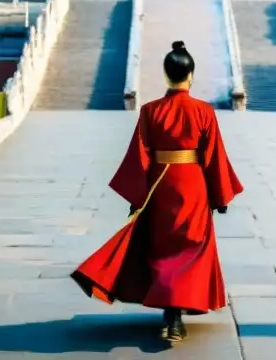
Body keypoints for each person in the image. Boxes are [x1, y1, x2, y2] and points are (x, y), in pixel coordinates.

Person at [71, 41, 243, 343]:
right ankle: (177, 313)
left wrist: (137, 196)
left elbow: (139, 156)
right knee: (191, 248)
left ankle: (172, 313)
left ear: (166, 75)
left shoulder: (151, 111)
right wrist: (220, 195)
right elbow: (214, 155)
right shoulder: (203, 111)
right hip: (194, 186)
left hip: (160, 186)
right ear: (191, 76)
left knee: (163, 249)